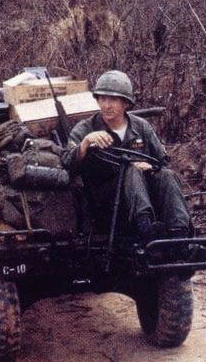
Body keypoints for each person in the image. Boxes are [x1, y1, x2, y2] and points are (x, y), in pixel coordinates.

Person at [61, 70, 191, 242]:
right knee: (131, 170)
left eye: (113, 99)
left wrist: (151, 167)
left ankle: (180, 235)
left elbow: (163, 163)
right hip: (105, 205)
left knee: (167, 176)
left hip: (144, 198)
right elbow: (66, 164)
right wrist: (84, 144)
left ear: (125, 103)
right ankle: (146, 231)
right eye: (102, 99)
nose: (106, 105)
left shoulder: (141, 127)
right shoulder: (85, 128)